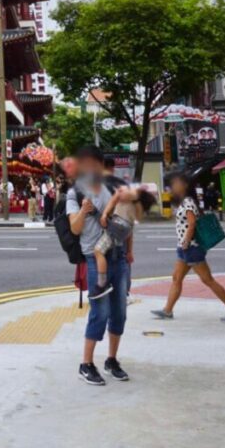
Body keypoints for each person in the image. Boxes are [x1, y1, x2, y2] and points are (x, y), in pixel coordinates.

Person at [67, 145, 131, 385]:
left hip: (118, 256)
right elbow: (74, 228)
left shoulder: (111, 187)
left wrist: (130, 251)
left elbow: (124, 219)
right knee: (100, 312)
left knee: (119, 313)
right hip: (95, 259)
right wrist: (84, 212)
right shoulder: (76, 193)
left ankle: (111, 360)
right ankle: (86, 364)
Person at [151, 171, 225, 322]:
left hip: (192, 248)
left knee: (207, 280)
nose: (173, 186)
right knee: (176, 278)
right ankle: (167, 310)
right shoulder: (184, 201)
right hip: (185, 248)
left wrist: (186, 241)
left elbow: (192, 223)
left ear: (185, 186)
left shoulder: (188, 202)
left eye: (176, 183)